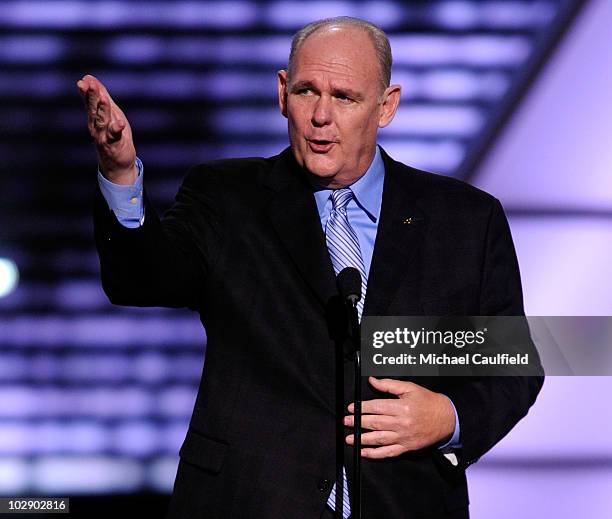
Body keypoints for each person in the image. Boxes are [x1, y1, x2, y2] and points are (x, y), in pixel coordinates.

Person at [78, 16, 543, 519]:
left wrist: (447, 417)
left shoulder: (464, 220)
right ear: (282, 93)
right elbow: (139, 278)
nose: (321, 115)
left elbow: (511, 368)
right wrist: (120, 173)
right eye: (306, 92)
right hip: (249, 502)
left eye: (344, 97)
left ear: (386, 105)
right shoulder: (228, 198)